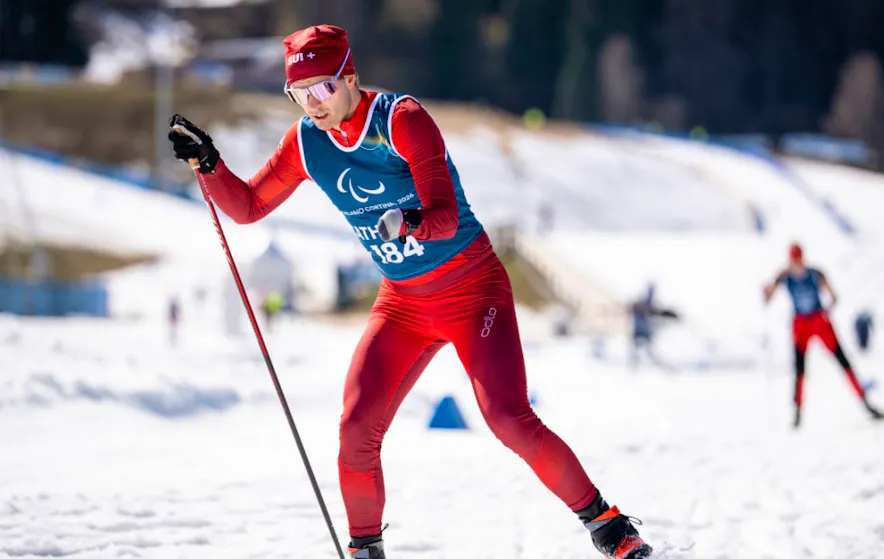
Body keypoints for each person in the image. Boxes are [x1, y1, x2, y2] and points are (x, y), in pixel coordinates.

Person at [167, 24, 651, 559]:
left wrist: (410, 221)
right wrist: (208, 163)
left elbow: (446, 215)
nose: (314, 105)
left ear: (350, 77)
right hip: (403, 303)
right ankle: (365, 552)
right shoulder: (306, 142)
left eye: (323, 89)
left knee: (508, 420)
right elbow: (248, 207)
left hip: (472, 288)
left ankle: (609, 527)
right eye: (299, 95)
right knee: (355, 433)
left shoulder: (401, 120)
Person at [763, 243, 884, 428]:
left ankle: (865, 403)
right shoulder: (784, 276)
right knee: (799, 370)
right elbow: (768, 298)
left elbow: (834, 296)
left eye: (798, 259)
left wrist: (829, 309)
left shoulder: (815, 274)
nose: (796, 263)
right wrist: (767, 290)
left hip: (819, 321)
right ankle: (797, 413)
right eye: (793, 260)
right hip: (800, 325)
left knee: (843, 362)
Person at [629, 283, 679, 370]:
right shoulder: (640, 305)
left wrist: (671, 314)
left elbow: (661, 313)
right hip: (639, 333)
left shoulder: (651, 306)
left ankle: (638, 366)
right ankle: (633, 367)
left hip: (645, 333)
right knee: (638, 353)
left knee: (648, 353)